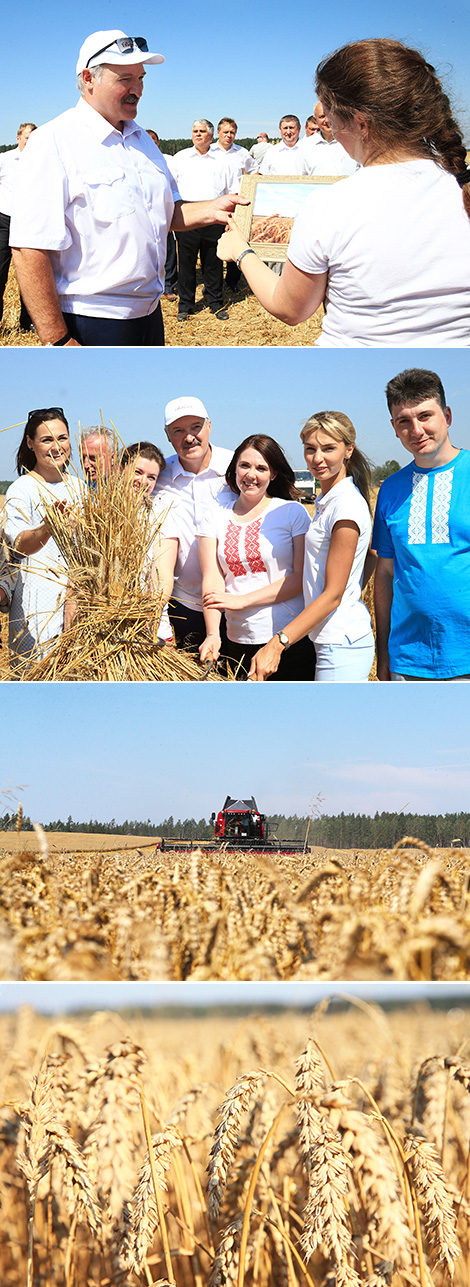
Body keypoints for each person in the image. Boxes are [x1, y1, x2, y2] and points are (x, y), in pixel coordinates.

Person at [217, 38, 470, 346]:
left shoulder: (330, 205)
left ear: (361, 123)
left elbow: (290, 308)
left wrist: (240, 251)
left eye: (333, 117)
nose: (332, 129)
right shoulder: (460, 189)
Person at [10, 31, 246, 347]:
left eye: (141, 78)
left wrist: (214, 207)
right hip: (89, 321)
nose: (138, 89)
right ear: (88, 79)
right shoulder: (53, 141)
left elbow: (168, 211)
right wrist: (58, 338)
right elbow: (29, 248)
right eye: (125, 79)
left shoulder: (143, 142)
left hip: (150, 316)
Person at [248, 412, 375, 682]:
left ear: (348, 450)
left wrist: (278, 642)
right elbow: (371, 553)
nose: (317, 459)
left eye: (329, 448)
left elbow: (332, 595)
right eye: (310, 449)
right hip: (329, 636)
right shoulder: (328, 500)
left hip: (341, 643)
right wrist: (349, 590)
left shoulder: (346, 507)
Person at [373, 367, 470, 681]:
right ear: (394, 428)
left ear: (447, 415)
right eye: (404, 421)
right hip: (408, 660)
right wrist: (383, 653)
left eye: (425, 416)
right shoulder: (390, 490)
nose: (416, 430)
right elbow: (385, 574)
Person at [197, 434, 316, 680]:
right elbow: (212, 579)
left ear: (273, 474)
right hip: (236, 637)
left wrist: (242, 601)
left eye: (261, 468)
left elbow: (299, 578)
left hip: (286, 639)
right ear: (235, 469)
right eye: (245, 465)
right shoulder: (214, 517)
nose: (251, 475)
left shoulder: (292, 512)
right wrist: (212, 634)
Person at [152, 397, 233, 649]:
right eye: (179, 431)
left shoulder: (236, 468)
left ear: (209, 426)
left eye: (196, 427)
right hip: (182, 604)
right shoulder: (159, 475)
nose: (189, 438)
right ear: (167, 435)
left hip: (234, 602)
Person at [3, 408, 82, 670]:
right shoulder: (22, 489)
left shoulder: (80, 489)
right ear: (30, 443)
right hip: (35, 609)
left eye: (62, 438)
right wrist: (47, 528)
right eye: (47, 440)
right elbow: (19, 544)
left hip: (78, 604)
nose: (57, 446)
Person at [169, 120, 233, 321]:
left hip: (214, 216)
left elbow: (230, 189)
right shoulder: (180, 158)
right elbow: (171, 187)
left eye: (202, 131)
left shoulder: (222, 161)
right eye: (195, 131)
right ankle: (185, 306)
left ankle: (215, 303)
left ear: (211, 136)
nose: (198, 134)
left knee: (213, 263)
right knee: (186, 263)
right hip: (188, 216)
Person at [211, 117, 258, 292]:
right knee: (213, 244)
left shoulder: (242, 153)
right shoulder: (210, 151)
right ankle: (213, 283)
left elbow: (254, 170)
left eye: (232, 132)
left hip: (237, 206)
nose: (229, 136)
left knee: (236, 240)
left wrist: (251, 189)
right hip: (215, 204)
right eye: (226, 132)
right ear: (218, 133)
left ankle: (232, 280)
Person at [0, 122, 36, 331]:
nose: (30, 142)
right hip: (5, 221)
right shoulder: (4, 160)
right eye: (27, 137)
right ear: (18, 138)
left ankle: (28, 323)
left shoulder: (42, 162)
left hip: (29, 223)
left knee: (30, 276)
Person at [146, 130, 178, 300]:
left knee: (170, 252)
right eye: (148, 139)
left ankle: (169, 286)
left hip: (166, 214)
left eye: (154, 139)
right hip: (144, 217)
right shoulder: (135, 159)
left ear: (158, 142)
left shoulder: (169, 160)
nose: (151, 142)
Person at [300, 107, 359, 176]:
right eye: (322, 116)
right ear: (315, 120)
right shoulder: (304, 145)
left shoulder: (354, 143)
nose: (327, 120)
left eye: (331, 115)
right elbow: (298, 179)